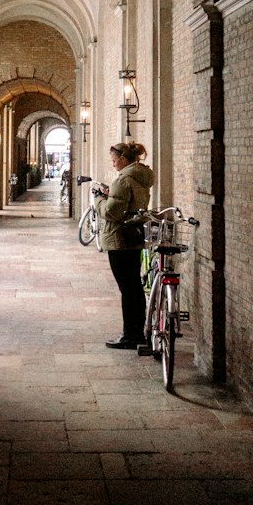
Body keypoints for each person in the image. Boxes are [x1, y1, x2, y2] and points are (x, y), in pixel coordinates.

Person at [93, 141, 154, 349]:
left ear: (124, 159)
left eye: (114, 160)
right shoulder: (142, 178)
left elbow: (111, 213)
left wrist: (99, 198)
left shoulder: (123, 180)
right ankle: (138, 330)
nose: (113, 165)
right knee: (134, 286)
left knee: (127, 289)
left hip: (119, 238)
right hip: (134, 236)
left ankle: (131, 335)